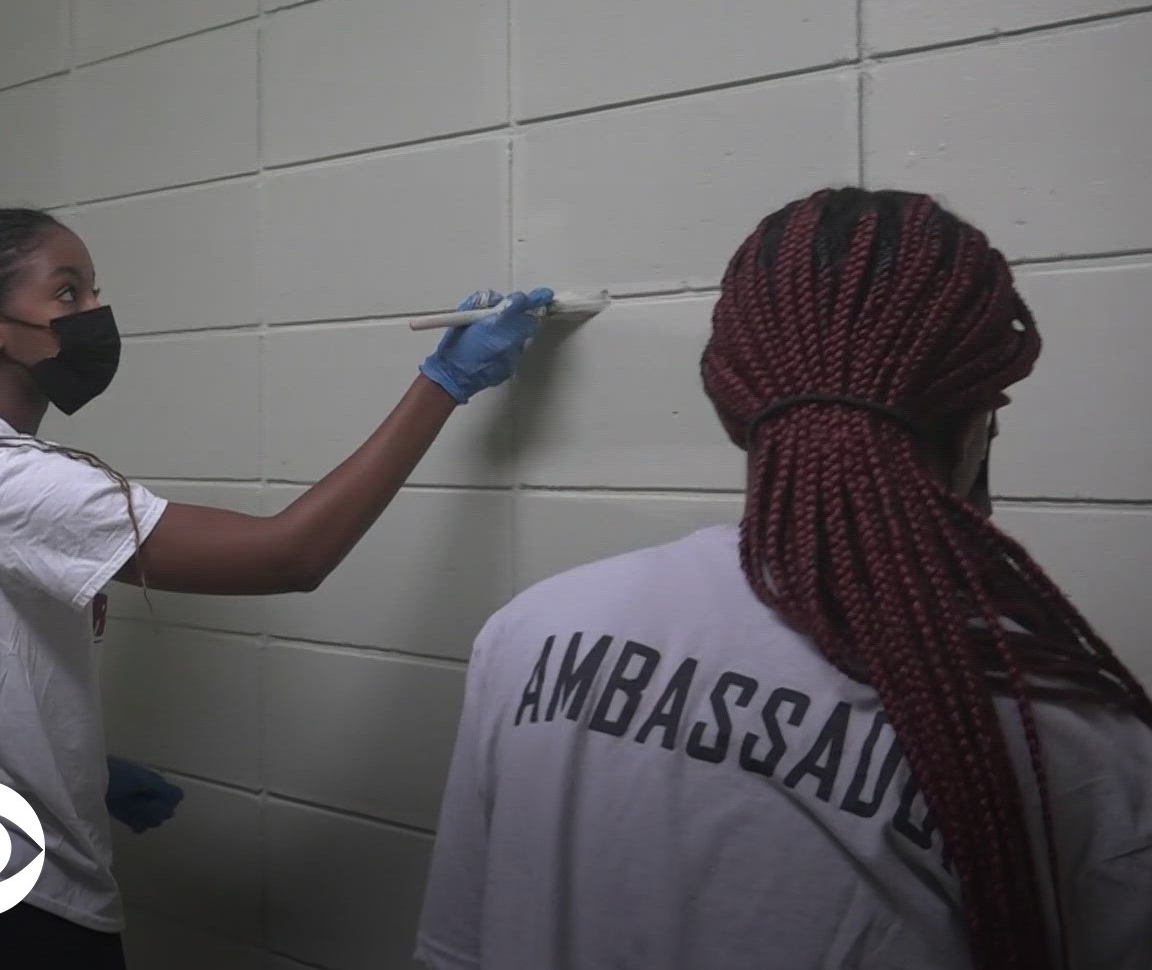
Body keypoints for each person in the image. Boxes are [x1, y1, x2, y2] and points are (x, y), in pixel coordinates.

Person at [414, 187, 1152, 970]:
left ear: (734, 406)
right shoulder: (1081, 748)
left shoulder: (535, 632)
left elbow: (453, 954)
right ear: (978, 423)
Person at [0, 207, 554, 967]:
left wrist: (80, 774)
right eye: (67, 294)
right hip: (20, 905)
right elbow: (288, 556)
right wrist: (443, 384)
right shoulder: (9, 482)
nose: (96, 314)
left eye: (94, 290)